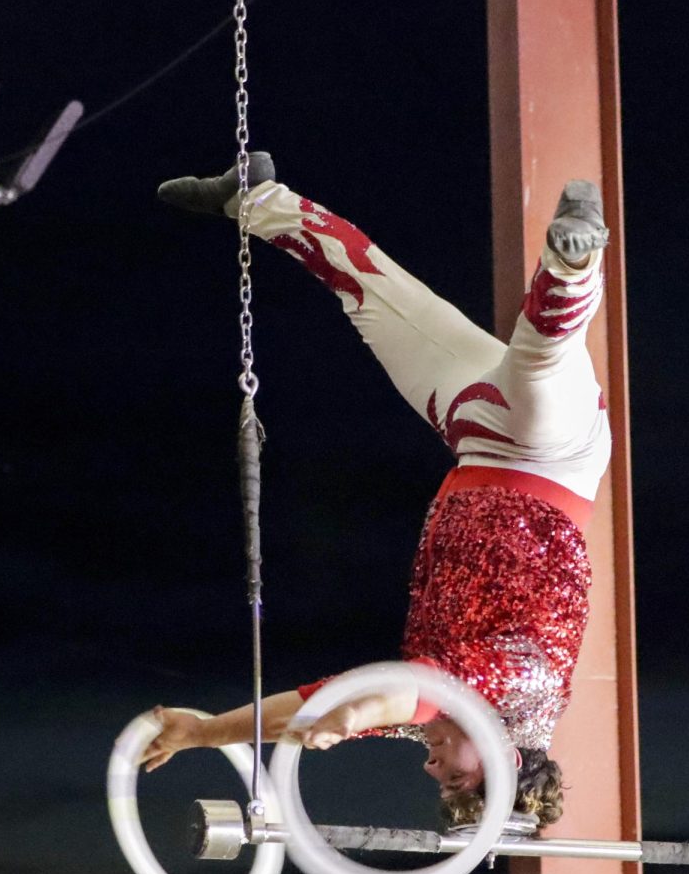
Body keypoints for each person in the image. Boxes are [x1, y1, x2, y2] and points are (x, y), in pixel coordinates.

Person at [142, 156, 612, 830]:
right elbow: (403, 693)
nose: (430, 766)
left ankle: (255, 198)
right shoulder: (524, 694)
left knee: (370, 293)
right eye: (453, 774)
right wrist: (357, 714)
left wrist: (204, 732)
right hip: (554, 455)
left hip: (475, 433)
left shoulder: (429, 711)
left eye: (435, 777)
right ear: (502, 756)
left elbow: (307, 706)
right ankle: (574, 262)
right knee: (542, 356)